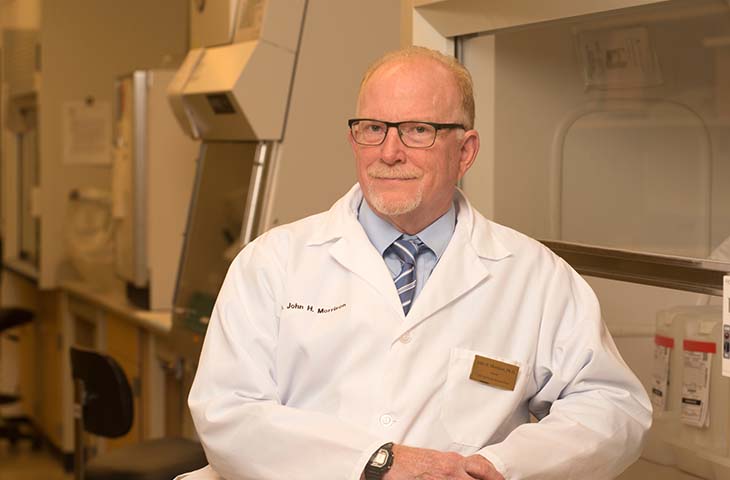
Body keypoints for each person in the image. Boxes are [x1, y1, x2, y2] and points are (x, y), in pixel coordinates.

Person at [176, 46, 651, 480]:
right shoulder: (271, 263)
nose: (389, 152)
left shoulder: (535, 276)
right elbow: (227, 413)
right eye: (373, 129)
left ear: (465, 151)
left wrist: (502, 466)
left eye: (418, 131)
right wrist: (377, 462)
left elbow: (612, 406)